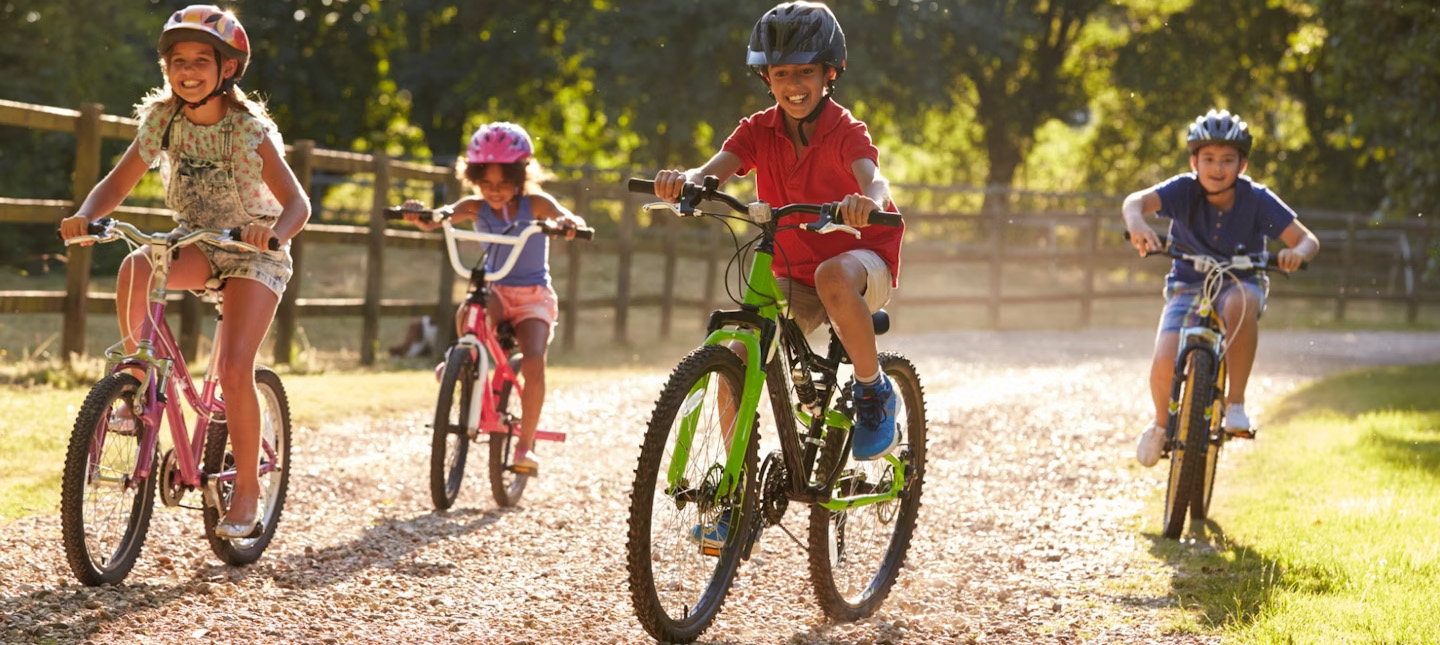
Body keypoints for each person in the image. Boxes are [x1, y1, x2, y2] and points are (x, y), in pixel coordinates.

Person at [59, 6, 310, 538]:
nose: (188, 69)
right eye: (178, 60)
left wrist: (275, 234)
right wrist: (88, 215)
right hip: (195, 240)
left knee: (237, 367)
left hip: (252, 250)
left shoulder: (248, 130)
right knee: (135, 266)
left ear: (227, 70)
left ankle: (246, 493)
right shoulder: (162, 120)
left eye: (202, 59)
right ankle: (136, 377)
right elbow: (118, 180)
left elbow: (298, 203)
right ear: (165, 67)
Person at [652, 1, 904, 466]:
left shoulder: (844, 130)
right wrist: (683, 182)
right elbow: (710, 172)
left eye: (806, 71)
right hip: (792, 266)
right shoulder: (757, 130)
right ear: (766, 77)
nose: (793, 85)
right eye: (782, 73)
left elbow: (875, 178)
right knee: (736, 361)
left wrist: (868, 201)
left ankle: (873, 392)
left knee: (832, 275)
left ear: (830, 73)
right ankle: (735, 489)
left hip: (860, 259)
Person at [1124, 109, 1318, 467]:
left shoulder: (1257, 199)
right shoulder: (1182, 189)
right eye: (1209, 159)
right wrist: (1137, 224)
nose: (1217, 168)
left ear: (1242, 165)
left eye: (1228, 160)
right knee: (1166, 356)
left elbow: (1307, 239)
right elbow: (1134, 202)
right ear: (1194, 161)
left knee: (1240, 303)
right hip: (1188, 282)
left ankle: (1236, 404)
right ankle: (1161, 425)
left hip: (1241, 279)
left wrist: (1295, 253)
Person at [402, 122, 585, 476]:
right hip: (498, 290)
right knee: (472, 307)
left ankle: (524, 446)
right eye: (486, 183)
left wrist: (568, 223)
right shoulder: (475, 206)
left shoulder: (535, 204)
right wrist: (419, 213)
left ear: (520, 176)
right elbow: (438, 217)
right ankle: (465, 362)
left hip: (533, 297)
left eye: (503, 184)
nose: (494, 192)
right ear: (474, 179)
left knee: (533, 361)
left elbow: (565, 215)